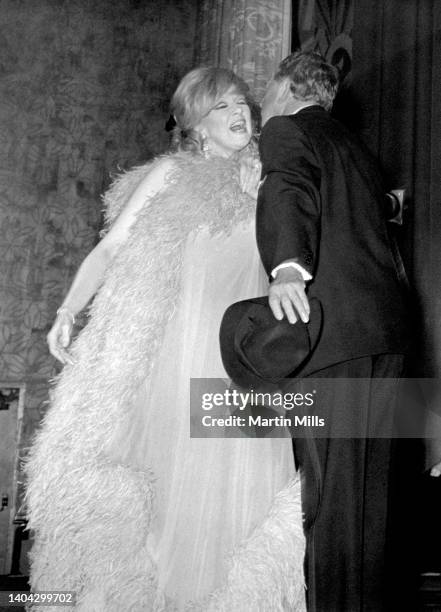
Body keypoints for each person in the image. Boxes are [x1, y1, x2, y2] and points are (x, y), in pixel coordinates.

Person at [24, 67, 306, 611]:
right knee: (158, 500)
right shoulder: (173, 173)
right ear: (196, 123)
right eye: (221, 106)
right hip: (173, 358)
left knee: (236, 507)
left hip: (242, 364)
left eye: (241, 102)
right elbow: (110, 249)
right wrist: (67, 309)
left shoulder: (270, 180)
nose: (239, 112)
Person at [256, 51, 409, 611]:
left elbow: (287, 188)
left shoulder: (285, 128)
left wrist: (288, 267)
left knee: (331, 501)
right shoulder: (357, 149)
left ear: (287, 88)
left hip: (331, 337)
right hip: (386, 332)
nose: (262, 107)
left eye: (267, 93)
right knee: (369, 500)